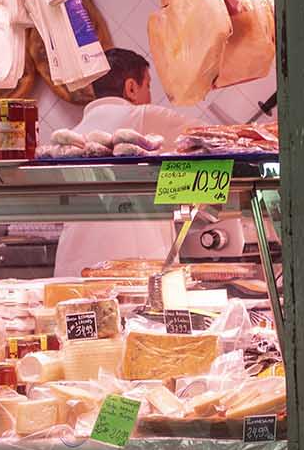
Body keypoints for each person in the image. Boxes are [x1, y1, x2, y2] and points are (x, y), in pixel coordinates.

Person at [53, 48, 198, 278]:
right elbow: (215, 140)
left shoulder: (73, 135)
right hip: (135, 272)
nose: (149, 95)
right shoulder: (142, 117)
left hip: (75, 273)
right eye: (148, 86)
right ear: (131, 87)